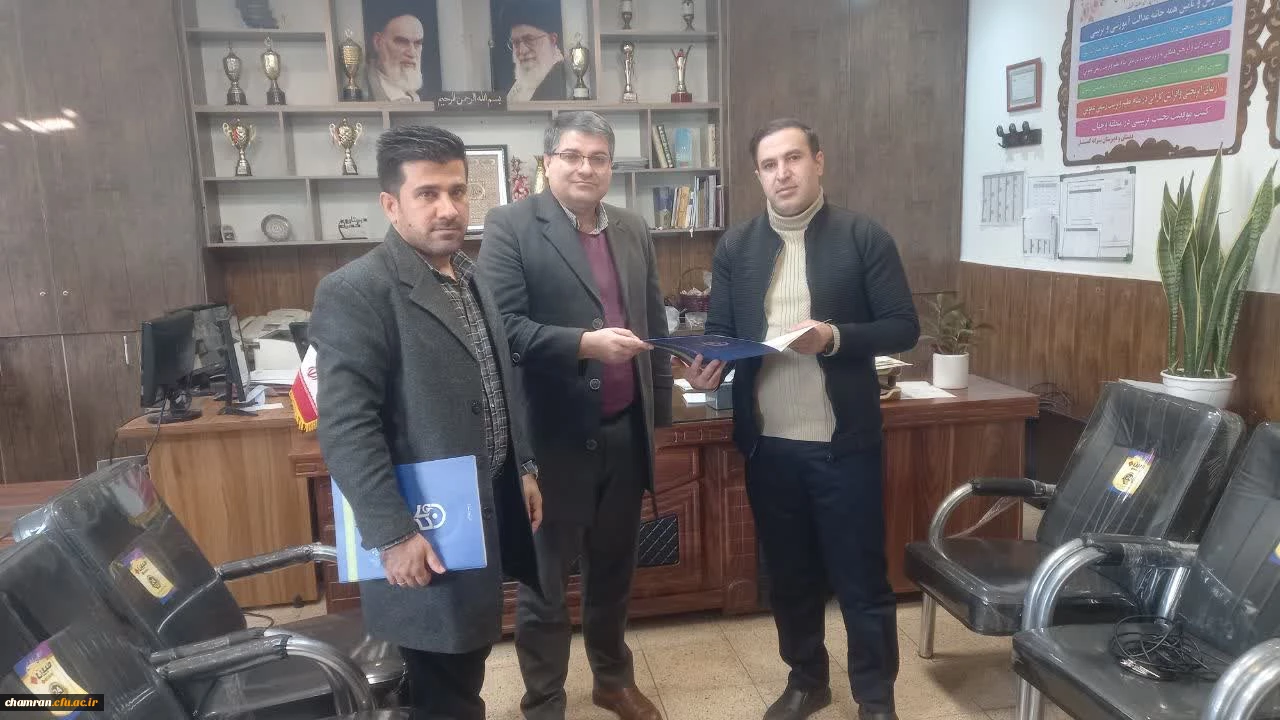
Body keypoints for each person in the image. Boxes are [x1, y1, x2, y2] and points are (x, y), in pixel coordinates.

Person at [686, 118, 920, 720]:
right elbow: (722, 331)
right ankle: (807, 679)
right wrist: (707, 366)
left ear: (818, 162)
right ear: (757, 175)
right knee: (788, 577)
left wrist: (834, 337)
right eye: (769, 165)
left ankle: (875, 699)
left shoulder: (863, 236)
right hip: (769, 446)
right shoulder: (737, 246)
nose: (782, 173)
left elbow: (903, 327)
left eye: (793, 159)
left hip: (845, 446)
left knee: (861, 579)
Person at [310, 125, 544, 720]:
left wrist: (523, 468)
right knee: (444, 679)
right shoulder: (357, 290)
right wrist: (392, 534)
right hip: (423, 523)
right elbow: (346, 427)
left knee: (464, 660)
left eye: (458, 191)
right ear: (391, 204)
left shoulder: (470, 273)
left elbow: (497, 381)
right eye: (428, 194)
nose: (449, 209)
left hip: (480, 507)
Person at [478, 110, 672, 720]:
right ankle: (544, 701)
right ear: (548, 162)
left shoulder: (633, 228)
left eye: (599, 158)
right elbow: (502, 331)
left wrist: (658, 423)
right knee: (544, 586)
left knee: (614, 574)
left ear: (611, 166)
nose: (586, 168)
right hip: (550, 441)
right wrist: (585, 344)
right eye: (572, 156)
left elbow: (652, 322)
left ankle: (612, 680)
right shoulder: (511, 226)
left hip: (624, 432)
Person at [503, 5, 567, 102]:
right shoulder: (519, 85)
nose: (522, 51)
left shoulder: (562, 79)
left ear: (552, 40)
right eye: (516, 42)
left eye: (530, 39)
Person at [369, 12, 427, 101]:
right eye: (402, 42)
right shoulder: (364, 89)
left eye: (417, 43)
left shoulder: (420, 94)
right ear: (378, 42)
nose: (412, 53)